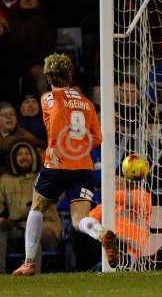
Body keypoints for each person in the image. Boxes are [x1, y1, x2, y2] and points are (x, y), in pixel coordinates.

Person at [12, 53, 119, 276]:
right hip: (84, 166)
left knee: (37, 207)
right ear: (70, 74)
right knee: (80, 218)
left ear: (48, 77)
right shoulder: (87, 103)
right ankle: (100, 232)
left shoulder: (47, 99)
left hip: (56, 163)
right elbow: (97, 139)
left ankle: (29, 263)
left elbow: (52, 129)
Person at [0, 141, 61, 273]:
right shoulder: (5, 180)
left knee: (34, 236)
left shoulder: (43, 177)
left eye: (27, 153)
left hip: (47, 226)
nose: (24, 157)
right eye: (20, 154)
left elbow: (57, 197)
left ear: (33, 157)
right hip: (17, 225)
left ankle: (33, 274)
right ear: (13, 158)